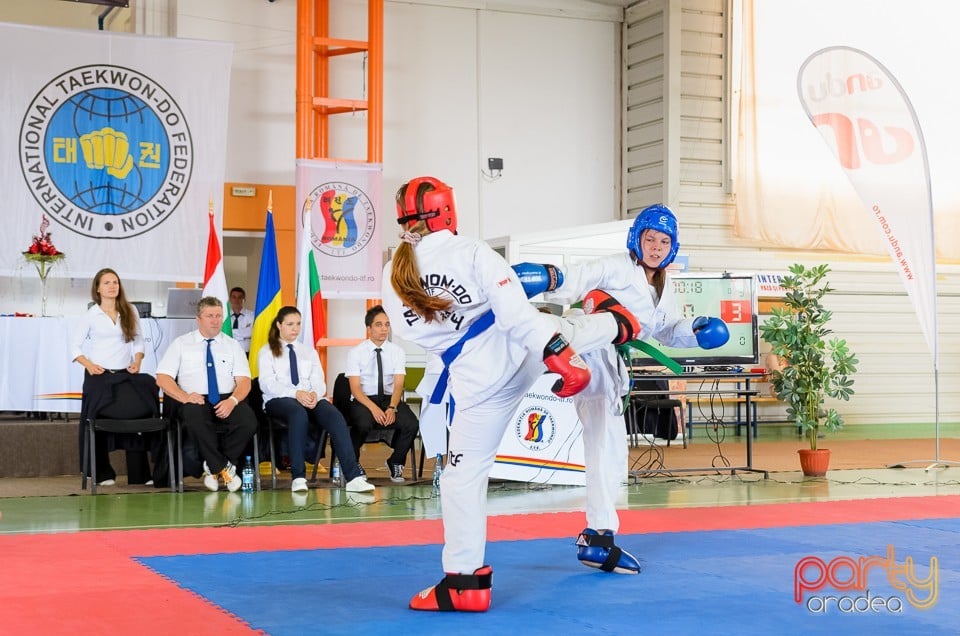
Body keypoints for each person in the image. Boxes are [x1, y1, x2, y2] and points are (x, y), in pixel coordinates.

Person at [382, 176, 640, 613]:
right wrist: (560, 358)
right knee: (566, 327)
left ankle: (463, 583)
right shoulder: (474, 252)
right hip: (521, 353)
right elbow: (518, 314)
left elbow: (413, 333)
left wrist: (458, 328)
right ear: (448, 211)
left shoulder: (394, 271)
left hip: (478, 383)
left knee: (463, 478)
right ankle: (616, 325)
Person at [514, 203, 729, 574]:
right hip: (590, 353)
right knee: (606, 447)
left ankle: (598, 535)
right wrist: (548, 277)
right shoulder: (615, 265)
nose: (657, 247)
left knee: (609, 450)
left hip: (609, 363)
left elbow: (664, 329)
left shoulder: (662, 283)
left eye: (664, 241)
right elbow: (576, 279)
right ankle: (598, 536)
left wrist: (695, 328)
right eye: (650, 239)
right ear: (637, 239)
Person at [257, 306, 374, 493]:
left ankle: (353, 477)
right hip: (279, 400)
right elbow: (267, 384)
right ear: (279, 325)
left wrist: (314, 394)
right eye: (290, 324)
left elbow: (319, 380)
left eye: (298, 324)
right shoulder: (267, 351)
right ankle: (298, 477)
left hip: (308, 397)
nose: (295, 328)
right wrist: (296, 394)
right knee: (297, 413)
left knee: (334, 416)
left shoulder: (307, 351)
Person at [156, 296, 258, 492]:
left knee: (248, 421)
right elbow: (162, 377)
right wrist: (184, 397)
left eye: (219, 316)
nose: (215, 320)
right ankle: (223, 468)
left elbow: (244, 381)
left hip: (226, 398)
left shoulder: (232, 345)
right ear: (198, 319)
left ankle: (213, 468)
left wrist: (233, 400)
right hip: (194, 399)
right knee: (194, 417)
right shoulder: (181, 343)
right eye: (210, 315)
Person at [71, 268, 156, 486]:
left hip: (125, 375)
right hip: (99, 376)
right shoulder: (91, 315)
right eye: (107, 282)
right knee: (97, 419)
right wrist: (88, 365)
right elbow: (74, 346)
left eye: (115, 282)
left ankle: (140, 474)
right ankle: (102, 474)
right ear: (97, 288)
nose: (112, 286)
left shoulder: (130, 310)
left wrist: (137, 360)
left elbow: (138, 341)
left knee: (137, 414)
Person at [344, 305, 419, 483]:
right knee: (362, 423)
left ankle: (395, 461)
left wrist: (392, 407)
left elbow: (399, 383)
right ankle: (353, 463)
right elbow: (355, 388)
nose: (384, 329)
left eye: (387, 324)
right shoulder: (355, 353)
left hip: (388, 399)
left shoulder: (397, 352)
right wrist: (374, 409)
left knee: (412, 424)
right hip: (364, 399)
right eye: (379, 325)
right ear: (369, 328)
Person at [228, 287, 255, 354]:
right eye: (234, 297)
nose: (237, 300)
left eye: (240, 297)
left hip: (246, 353)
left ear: (244, 300)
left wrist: (231, 332)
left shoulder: (252, 315)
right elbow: (223, 333)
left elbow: (252, 332)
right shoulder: (225, 317)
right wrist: (244, 335)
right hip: (228, 353)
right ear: (230, 299)